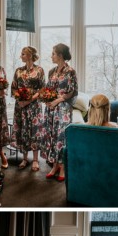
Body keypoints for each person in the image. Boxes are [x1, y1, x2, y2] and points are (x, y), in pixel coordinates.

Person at [41, 43, 78, 182]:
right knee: (52, 135)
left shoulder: (70, 71)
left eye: (53, 53)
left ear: (60, 55)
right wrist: (47, 100)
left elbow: (72, 91)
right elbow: (47, 89)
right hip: (50, 108)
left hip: (63, 109)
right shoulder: (51, 71)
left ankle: (62, 166)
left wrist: (57, 101)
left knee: (61, 137)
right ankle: (54, 165)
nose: (51, 56)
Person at [11, 46, 45, 172]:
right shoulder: (18, 70)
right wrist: (20, 100)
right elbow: (14, 87)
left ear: (30, 55)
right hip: (20, 105)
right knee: (22, 130)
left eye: (23, 54)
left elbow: (42, 89)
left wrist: (29, 100)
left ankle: (35, 160)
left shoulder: (39, 70)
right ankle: (24, 158)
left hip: (34, 105)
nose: (21, 56)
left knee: (34, 131)